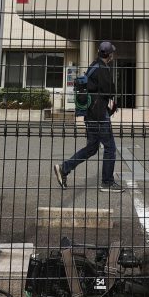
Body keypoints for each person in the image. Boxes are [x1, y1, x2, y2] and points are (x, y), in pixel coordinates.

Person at [53, 41, 123, 193]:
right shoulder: (103, 69)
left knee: (92, 148)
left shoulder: (93, 65)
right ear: (109, 55)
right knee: (110, 148)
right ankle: (107, 182)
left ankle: (64, 168)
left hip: (90, 114)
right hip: (99, 115)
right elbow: (110, 90)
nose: (112, 55)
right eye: (112, 53)